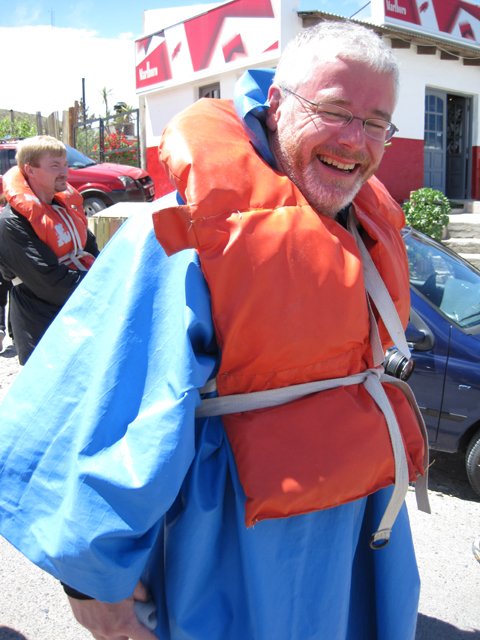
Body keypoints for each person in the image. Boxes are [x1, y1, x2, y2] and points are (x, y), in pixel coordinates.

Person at [0, 22, 430, 640]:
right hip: (237, 553)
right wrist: (93, 578)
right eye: (334, 111)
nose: (354, 140)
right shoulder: (186, 234)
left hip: (360, 540)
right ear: (277, 105)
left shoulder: (364, 225)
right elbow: (108, 405)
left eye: (375, 121)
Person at [0, 136, 98, 364]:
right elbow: (50, 284)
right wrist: (101, 286)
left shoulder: (65, 207)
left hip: (77, 315)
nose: (65, 171)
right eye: (55, 165)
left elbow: (92, 251)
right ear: (30, 171)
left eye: (65, 164)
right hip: (41, 326)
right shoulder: (11, 222)